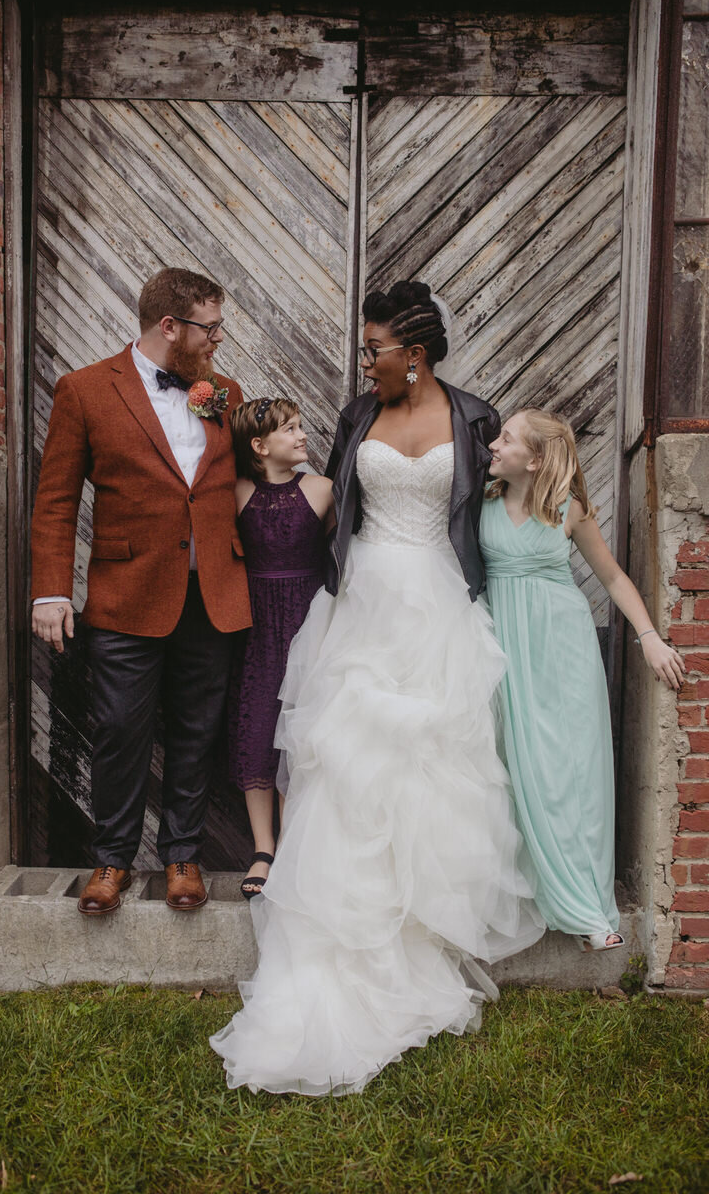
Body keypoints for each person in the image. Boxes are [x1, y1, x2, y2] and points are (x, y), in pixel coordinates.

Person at [210, 281, 544, 1096]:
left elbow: (502, 500)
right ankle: (342, 926)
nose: (365, 362)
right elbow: (330, 504)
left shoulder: (473, 418)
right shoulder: (362, 417)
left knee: (432, 765)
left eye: (375, 349)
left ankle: (420, 927)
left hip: (438, 603)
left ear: (415, 357)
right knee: (349, 765)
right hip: (360, 605)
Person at [31, 268, 251, 915]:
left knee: (196, 731)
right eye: (209, 328)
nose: (219, 339)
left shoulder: (224, 392)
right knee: (119, 730)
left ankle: (183, 855)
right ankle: (112, 861)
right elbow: (55, 502)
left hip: (212, 593)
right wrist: (50, 590)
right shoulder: (85, 391)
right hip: (126, 595)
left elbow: (239, 479)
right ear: (169, 327)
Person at [481, 408, 685, 951]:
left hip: (561, 651)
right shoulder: (478, 504)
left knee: (572, 772)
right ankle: (517, 895)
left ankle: (587, 907)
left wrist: (649, 637)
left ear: (537, 458)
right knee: (510, 769)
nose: (493, 446)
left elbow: (614, 577)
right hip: (502, 650)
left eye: (506, 439)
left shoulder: (568, 511)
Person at [227, 398, 333, 899]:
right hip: (257, 625)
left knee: (302, 735)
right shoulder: (237, 492)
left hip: (307, 623)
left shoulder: (323, 490)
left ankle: (294, 848)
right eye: (289, 429)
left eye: (299, 426)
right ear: (259, 445)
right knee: (255, 732)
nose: (301, 435)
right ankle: (263, 849)